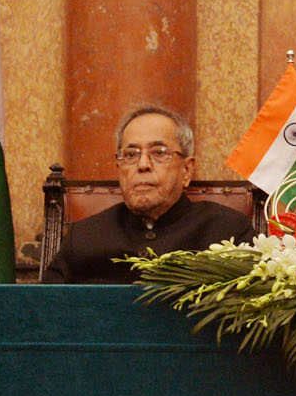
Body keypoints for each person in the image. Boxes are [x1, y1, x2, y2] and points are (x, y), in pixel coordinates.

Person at [42, 106, 255, 284]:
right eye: (131, 155)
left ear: (187, 171)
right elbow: (42, 315)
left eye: (159, 153)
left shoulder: (229, 232)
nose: (143, 165)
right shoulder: (84, 237)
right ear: (119, 167)